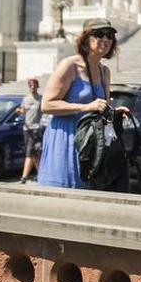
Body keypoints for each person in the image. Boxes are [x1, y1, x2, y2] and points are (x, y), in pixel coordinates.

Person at [39, 18, 128, 190]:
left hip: (91, 142)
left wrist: (114, 112)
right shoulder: (69, 65)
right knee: (62, 194)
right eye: (99, 34)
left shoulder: (104, 71)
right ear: (86, 38)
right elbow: (47, 105)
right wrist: (85, 107)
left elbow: (100, 106)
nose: (106, 39)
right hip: (66, 138)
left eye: (110, 36)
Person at [17, 77, 44, 184]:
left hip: (36, 129)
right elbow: (23, 111)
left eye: (34, 84)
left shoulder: (41, 99)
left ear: (37, 86)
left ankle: (24, 177)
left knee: (29, 152)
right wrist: (19, 111)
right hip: (26, 128)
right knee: (34, 154)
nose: (32, 86)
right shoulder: (25, 99)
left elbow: (45, 111)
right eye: (30, 84)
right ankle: (41, 174)